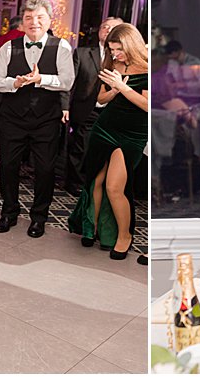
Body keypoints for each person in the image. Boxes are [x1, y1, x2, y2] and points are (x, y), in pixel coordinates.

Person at [0, 0, 75, 238]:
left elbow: (67, 81)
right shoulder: (9, 47)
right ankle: (9, 213)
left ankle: (39, 217)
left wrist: (41, 79)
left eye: (39, 18)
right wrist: (13, 82)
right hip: (12, 118)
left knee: (45, 169)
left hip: (46, 118)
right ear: (22, 22)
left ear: (49, 21)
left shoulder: (62, 47)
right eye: (29, 18)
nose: (34, 22)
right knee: (8, 166)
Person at [69, 23, 149, 260]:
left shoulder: (147, 68)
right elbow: (101, 99)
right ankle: (92, 228)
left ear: (131, 44)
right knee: (95, 181)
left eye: (118, 49)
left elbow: (147, 105)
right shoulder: (112, 64)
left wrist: (122, 87)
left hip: (132, 134)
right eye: (111, 49)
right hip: (105, 128)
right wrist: (114, 90)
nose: (115, 54)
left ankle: (124, 235)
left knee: (115, 188)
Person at [65, 16, 122, 195]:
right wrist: (65, 107)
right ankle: (76, 183)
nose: (107, 30)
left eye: (113, 28)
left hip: (113, 111)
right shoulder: (82, 53)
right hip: (86, 108)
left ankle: (99, 183)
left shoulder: (124, 57)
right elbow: (70, 83)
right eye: (104, 27)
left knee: (106, 150)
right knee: (80, 147)